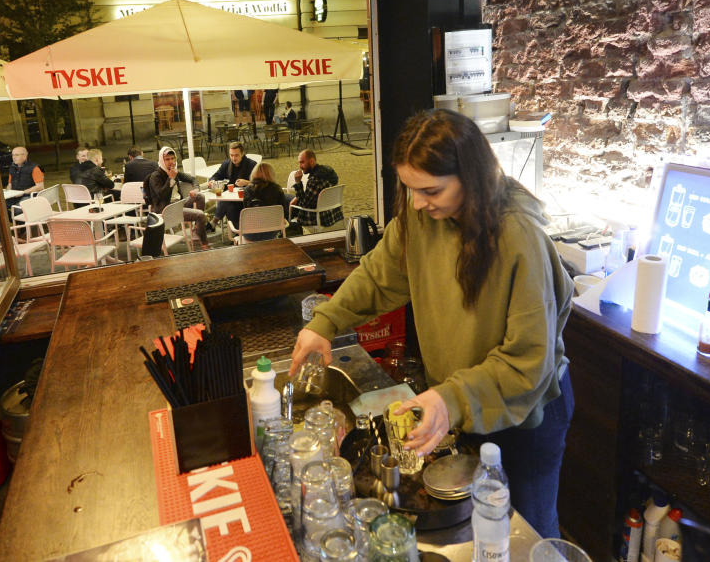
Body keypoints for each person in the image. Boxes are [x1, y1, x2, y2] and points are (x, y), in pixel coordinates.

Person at [288, 109, 574, 538]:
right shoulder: (425, 217)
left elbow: (526, 365)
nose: (418, 203)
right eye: (410, 189)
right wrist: (324, 323)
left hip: (525, 417)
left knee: (523, 536)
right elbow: (378, 275)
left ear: (471, 178)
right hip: (462, 405)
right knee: (474, 535)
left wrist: (451, 397)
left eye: (431, 190)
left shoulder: (519, 236)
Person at [144, 147, 209, 247]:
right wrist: (171, 178)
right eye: (167, 159)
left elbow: (193, 179)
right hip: (166, 209)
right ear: (162, 160)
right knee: (200, 214)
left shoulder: (174, 171)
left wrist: (196, 189)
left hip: (179, 204)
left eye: (172, 158)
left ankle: (197, 230)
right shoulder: (155, 176)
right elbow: (162, 195)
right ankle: (205, 245)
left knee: (200, 196)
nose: (171, 162)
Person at [233, 162, 289, 241]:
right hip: (271, 232)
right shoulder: (277, 189)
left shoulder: (247, 190)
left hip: (250, 234)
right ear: (270, 174)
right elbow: (284, 213)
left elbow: (247, 211)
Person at [209, 141, 257, 227]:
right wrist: (212, 181)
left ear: (242, 153)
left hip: (245, 199)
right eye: (231, 155)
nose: (234, 158)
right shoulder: (227, 164)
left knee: (225, 202)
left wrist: (247, 182)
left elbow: (259, 183)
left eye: (236, 155)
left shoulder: (251, 164)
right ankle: (238, 232)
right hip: (230, 198)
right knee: (228, 205)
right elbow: (216, 176)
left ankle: (214, 222)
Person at [288, 149, 340, 227]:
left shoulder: (315, 180)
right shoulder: (328, 171)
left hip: (316, 217)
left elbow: (304, 205)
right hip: (331, 213)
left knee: (286, 200)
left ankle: (289, 226)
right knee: (292, 199)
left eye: (302, 162)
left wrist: (298, 183)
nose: (300, 166)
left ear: (311, 161)